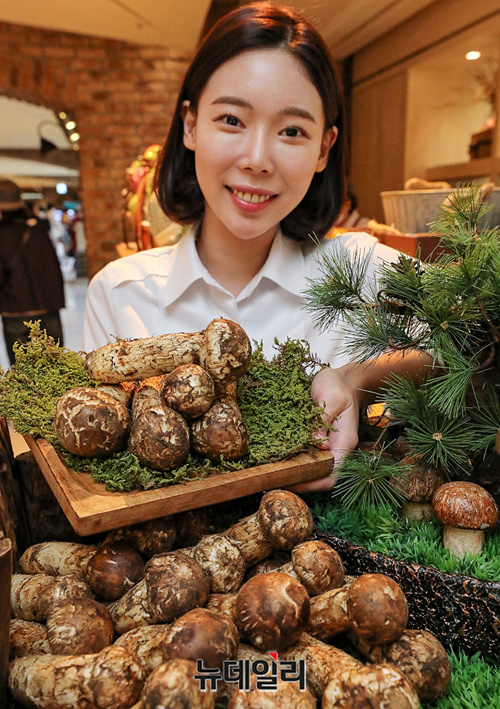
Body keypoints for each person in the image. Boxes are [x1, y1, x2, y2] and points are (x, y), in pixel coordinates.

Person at [82, 2, 431, 490]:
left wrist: (353, 380)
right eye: (231, 120)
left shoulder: (357, 267)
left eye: (292, 131)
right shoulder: (119, 294)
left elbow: (472, 336)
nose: (258, 159)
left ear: (324, 149)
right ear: (190, 124)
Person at [0, 179, 65, 365]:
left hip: (15, 311)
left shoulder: (2, 235)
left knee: (24, 373)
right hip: (48, 308)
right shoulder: (38, 231)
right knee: (57, 368)